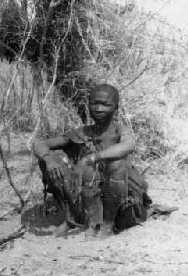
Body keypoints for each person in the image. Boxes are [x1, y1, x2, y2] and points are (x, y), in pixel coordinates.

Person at [33, 84, 150, 239]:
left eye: (105, 105)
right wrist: (49, 160)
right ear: (89, 105)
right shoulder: (82, 132)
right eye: (95, 103)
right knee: (49, 160)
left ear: (116, 108)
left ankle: (107, 224)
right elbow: (39, 144)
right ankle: (73, 218)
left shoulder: (120, 130)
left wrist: (92, 158)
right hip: (86, 195)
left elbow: (128, 145)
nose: (99, 109)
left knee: (117, 164)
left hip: (117, 199)